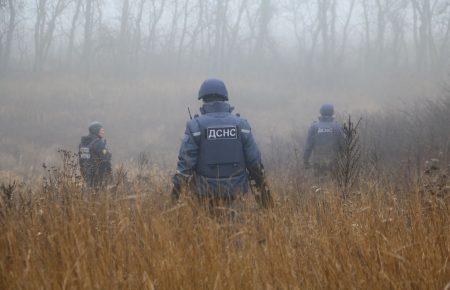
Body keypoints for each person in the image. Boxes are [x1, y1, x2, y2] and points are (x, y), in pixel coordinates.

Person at [171, 78, 272, 208]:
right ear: (225, 99)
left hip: (204, 196)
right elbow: (255, 164)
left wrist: (173, 198)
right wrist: (266, 201)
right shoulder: (242, 124)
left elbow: (185, 166)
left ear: (203, 100)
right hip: (236, 195)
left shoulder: (195, 126)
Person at [303, 104, 344, 181]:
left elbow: (308, 146)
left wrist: (305, 161)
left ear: (321, 112)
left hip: (318, 163)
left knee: (319, 185)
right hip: (335, 163)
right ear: (332, 112)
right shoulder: (338, 127)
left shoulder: (314, 127)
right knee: (334, 184)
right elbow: (343, 146)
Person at [78, 121, 112, 188]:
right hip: (98, 174)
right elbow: (106, 159)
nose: (103, 132)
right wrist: (108, 173)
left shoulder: (82, 143)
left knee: (90, 193)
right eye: (101, 130)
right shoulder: (98, 143)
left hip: (86, 173)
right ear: (96, 130)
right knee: (99, 194)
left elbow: (81, 159)